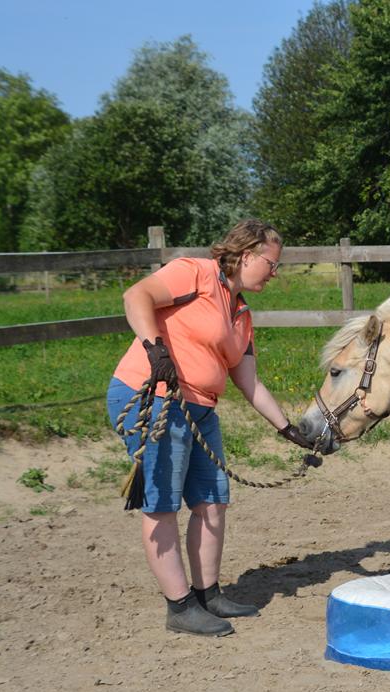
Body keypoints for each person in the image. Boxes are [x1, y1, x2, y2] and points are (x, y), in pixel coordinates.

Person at [106, 219, 314, 637]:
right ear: (248, 254)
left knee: (212, 501)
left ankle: (207, 593)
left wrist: (287, 428)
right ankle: (179, 607)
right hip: (157, 399)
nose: (275, 273)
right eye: (272, 264)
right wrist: (155, 349)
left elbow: (248, 380)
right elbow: (137, 295)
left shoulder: (242, 315)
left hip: (200, 410)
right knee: (161, 504)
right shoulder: (194, 272)